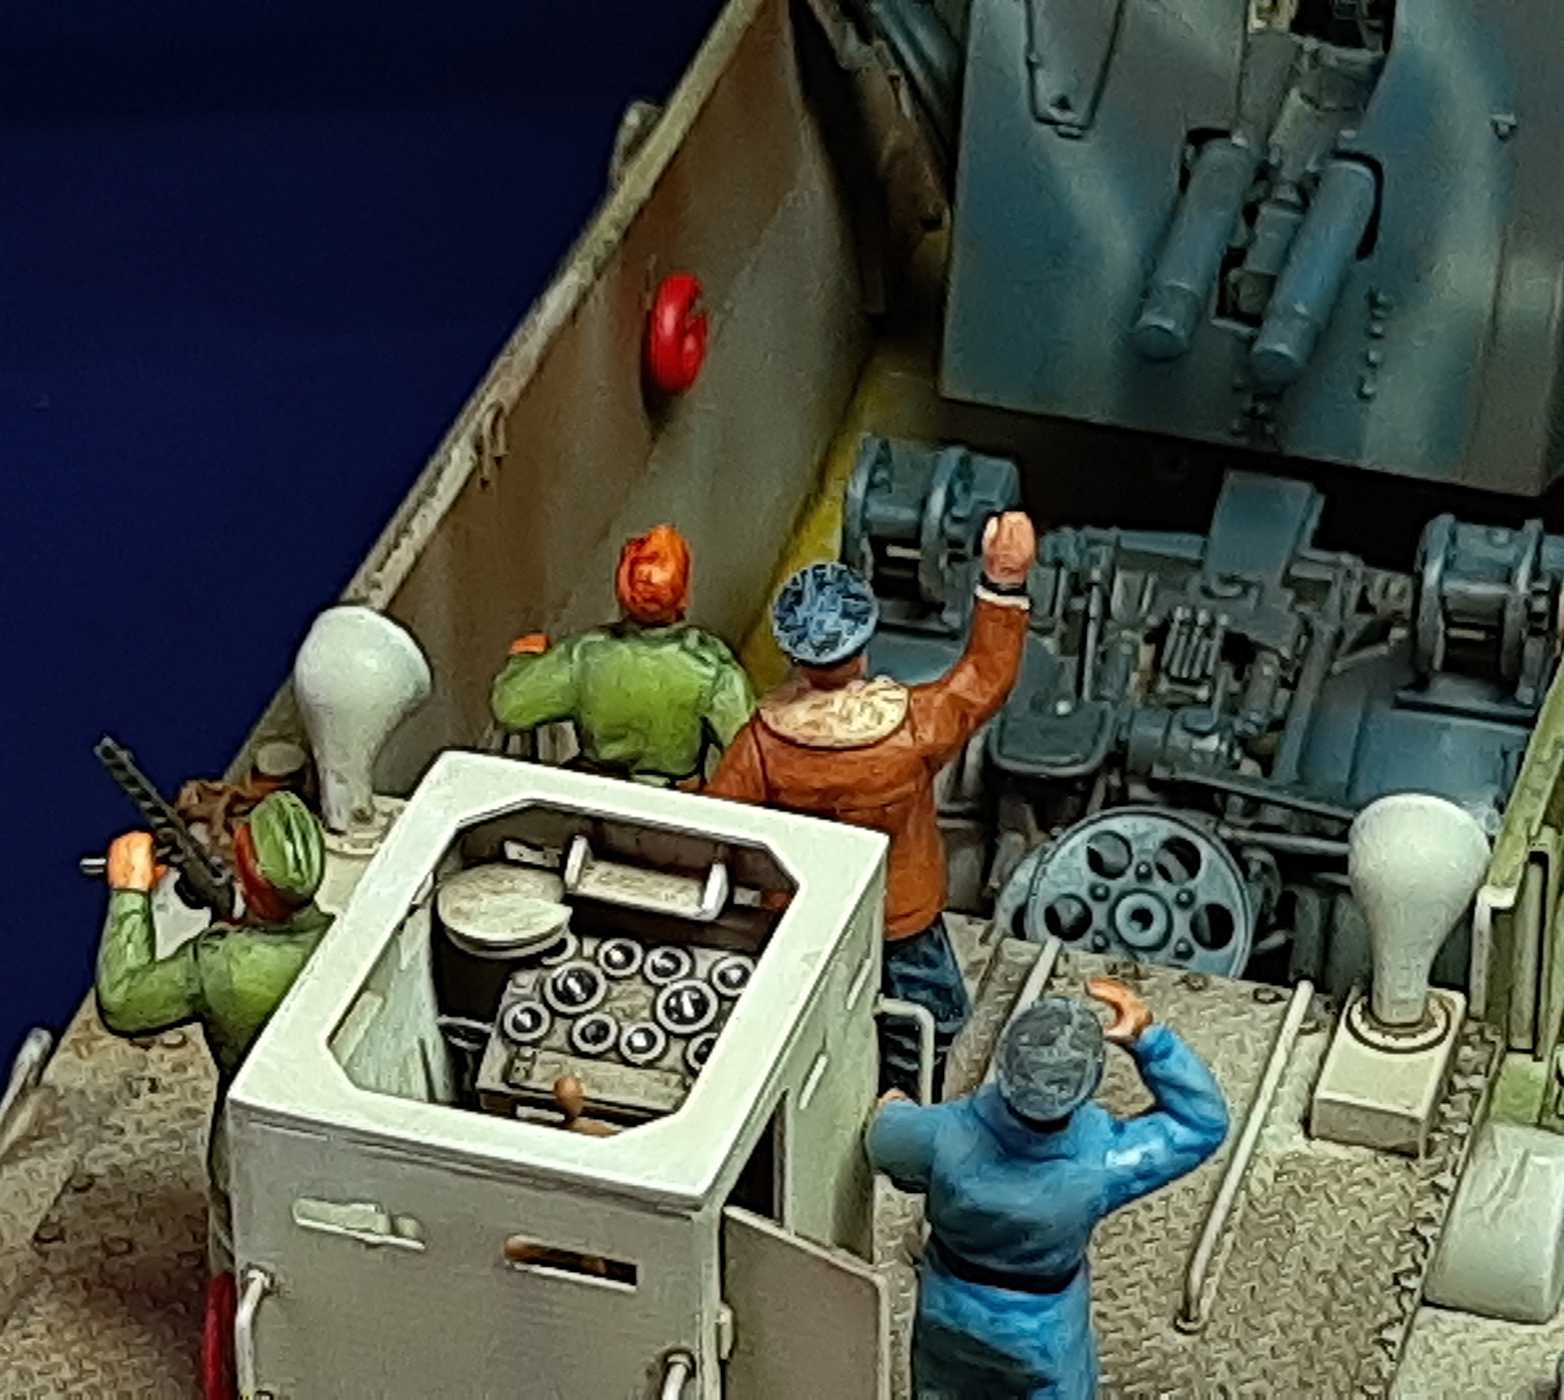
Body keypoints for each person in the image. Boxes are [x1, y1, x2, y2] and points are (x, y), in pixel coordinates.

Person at [703, 512, 1036, 1096]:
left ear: (796, 656)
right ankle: (904, 1100)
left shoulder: (762, 745)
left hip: (804, 914)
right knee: (933, 1023)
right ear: (861, 649)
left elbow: (715, 828)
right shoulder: (914, 727)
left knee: (804, 1018)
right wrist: (1002, 583)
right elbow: (984, 678)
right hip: (902, 916)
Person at [866, 981, 1229, 1399]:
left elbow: (883, 1140)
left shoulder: (940, 1134)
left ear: (1005, 1064)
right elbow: (1202, 1123)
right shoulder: (1104, 1163)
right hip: (1045, 1329)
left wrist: (895, 1107)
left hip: (949, 1309)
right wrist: (1148, 1038)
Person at [96, 790, 333, 1273]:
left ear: (247, 872)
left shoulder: (219, 963)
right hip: (327, 1132)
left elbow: (122, 1001)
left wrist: (130, 893)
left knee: (239, 1255)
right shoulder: (340, 936)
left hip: (248, 1150)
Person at [490, 523, 754, 787]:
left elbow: (511, 707)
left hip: (596, 791)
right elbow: (748, 751)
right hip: (674, 800)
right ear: (683, 596)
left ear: (623, 590)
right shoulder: (710, 665)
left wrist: (524, 658)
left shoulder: (586, 654)